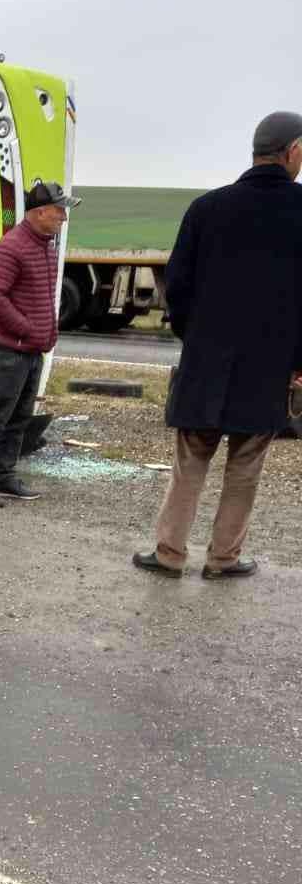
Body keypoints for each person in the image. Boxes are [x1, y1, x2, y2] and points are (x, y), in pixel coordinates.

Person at [134, 110, 302, 580]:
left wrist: (196, 338)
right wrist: (296, 361)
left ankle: (169, 554)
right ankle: (223, 559)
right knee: (245, 468)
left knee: (190, 462)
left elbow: (177, 285)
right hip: (268, 367)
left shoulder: (206, 208)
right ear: (292, 151)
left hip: (206, 360)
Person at [0, 179, 80, 507]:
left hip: (32, 352)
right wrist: (27, 329)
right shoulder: (11, 247)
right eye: (59, 211)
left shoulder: (44, 246)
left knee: (19, 420)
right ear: (40, 211)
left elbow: (41, 298)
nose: (63, 217)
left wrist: (48, 333)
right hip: (9, 353)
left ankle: (5, 477)